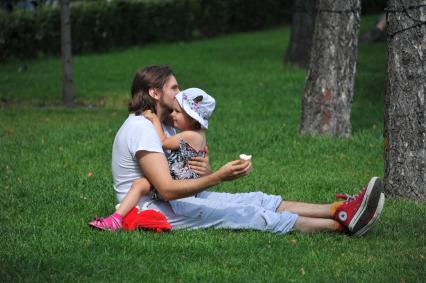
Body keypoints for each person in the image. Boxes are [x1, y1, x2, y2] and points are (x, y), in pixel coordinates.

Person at [91, 65, 384, 235]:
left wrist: (202, 171)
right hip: (156, 208)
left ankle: (339, 210)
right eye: (174, 88)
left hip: (175, 199)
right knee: (247, 213)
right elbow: (166, 189)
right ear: (155, 93)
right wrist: (217, 176)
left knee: (257, 199)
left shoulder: (161, 123)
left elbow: (178, 168)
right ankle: (341, 225)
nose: (180, 94)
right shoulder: (143, 128)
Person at [89, 87, 216, 231]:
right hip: (184, 178)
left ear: (192, 118)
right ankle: (124, 216)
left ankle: (116, 219)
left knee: (139, 184)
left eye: (177, 112)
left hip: (178, 180)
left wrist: (155, 119)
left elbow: (163, 142)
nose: (172, 114)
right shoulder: (198, 134)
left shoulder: (189, 136)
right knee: (142, 185)